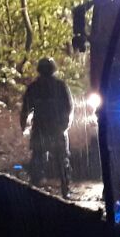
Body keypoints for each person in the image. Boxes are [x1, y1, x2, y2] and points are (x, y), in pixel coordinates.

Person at [20, 57, 73, 197]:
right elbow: (68, 107)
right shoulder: (60, 86)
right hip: (53, 128)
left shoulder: (34, 87)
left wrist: (23, 125)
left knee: (40, 159)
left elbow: (25, 109)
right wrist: (65, 124)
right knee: (60, 160)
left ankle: (35, 189)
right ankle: (64, 188)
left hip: (43, 128)